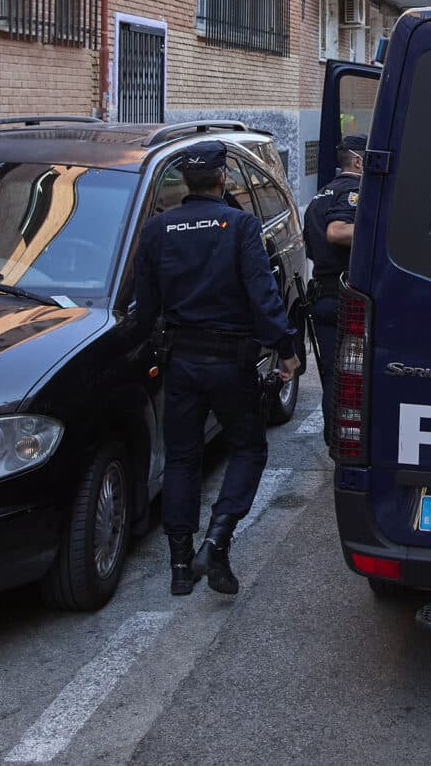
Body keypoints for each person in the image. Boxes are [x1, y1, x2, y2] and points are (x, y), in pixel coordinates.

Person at [134, 141, 300, 598]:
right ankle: (218, 540)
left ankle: (180, 567)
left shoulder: (157, 229)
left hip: (181, 362)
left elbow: (146, 305)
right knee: (248, 447)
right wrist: (286, 350)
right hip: (231, 362)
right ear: (223, 177)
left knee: (183, 458)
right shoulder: (239, 224)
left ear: (185, 181)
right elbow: (264, 297)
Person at [300, 134, 364, 404]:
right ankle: (347, 443)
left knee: (332, 378)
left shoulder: (319, 196)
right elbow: (336, 232)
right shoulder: (354, 191)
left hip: (323, 296)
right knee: (354, 379)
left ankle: (332, 441)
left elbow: (312, 248)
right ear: (359, 162)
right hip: (346, 297)